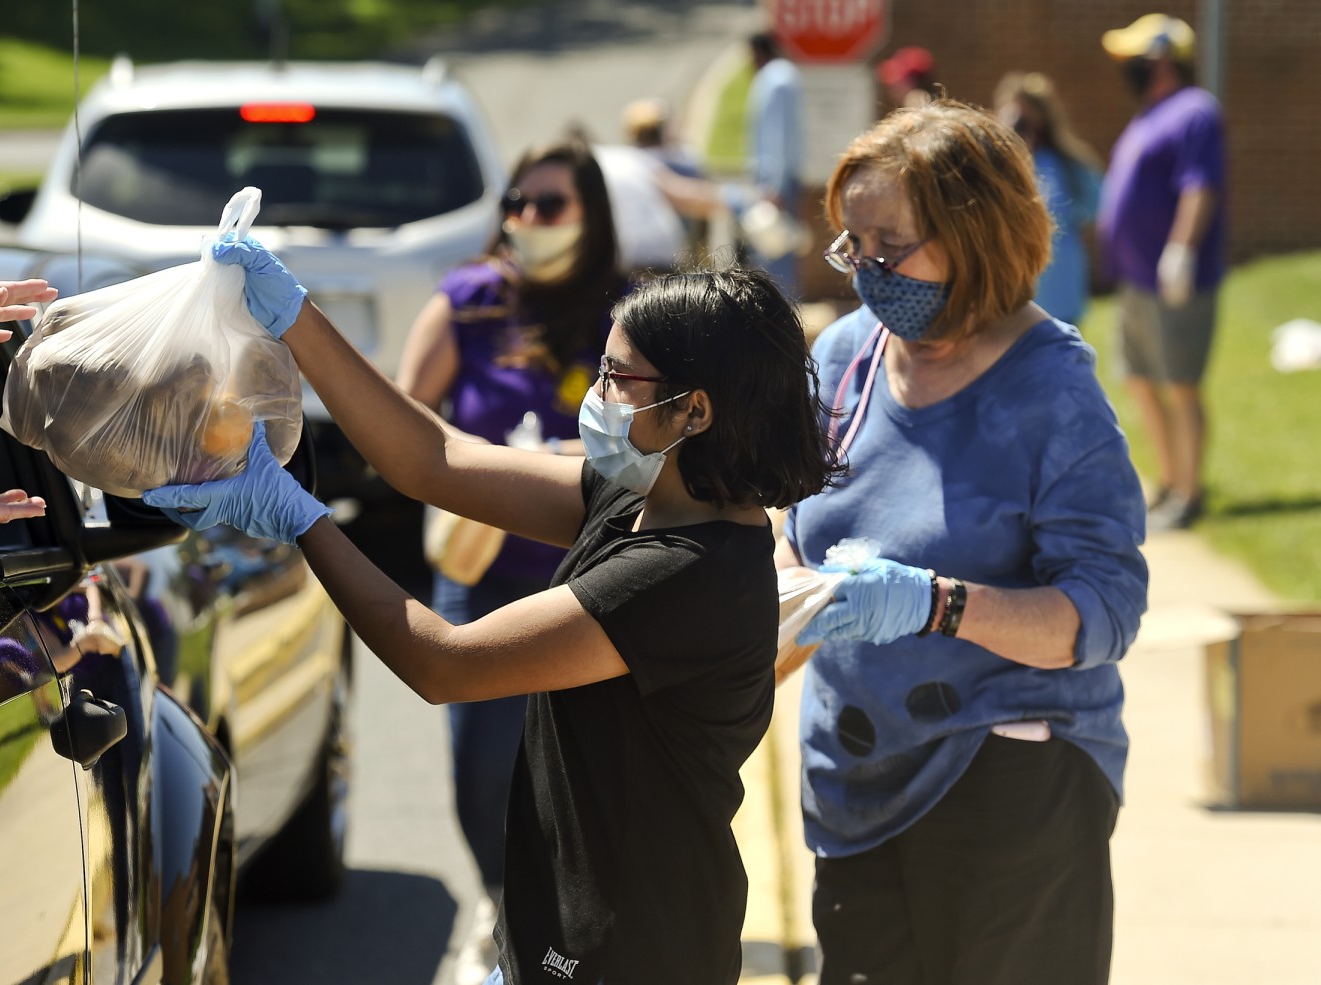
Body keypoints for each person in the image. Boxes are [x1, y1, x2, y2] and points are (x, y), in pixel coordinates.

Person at [143, 252, 841, 983]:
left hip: (629, 954)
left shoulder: (691, 571)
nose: (596, 395)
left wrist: (301, 519)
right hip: (561, 940)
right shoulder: (640, 498)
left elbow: (445, 661)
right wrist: (296, 319)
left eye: (617, 377)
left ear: (694, 409)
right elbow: (435, 459)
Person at [780, 99, 1148, 985]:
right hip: (854, 779)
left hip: (1010, 781)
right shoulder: (842, 358)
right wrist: (790, 588)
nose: (868, 272)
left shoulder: (1052, 394)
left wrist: (932, 604)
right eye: (852, 246)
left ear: (974, 235)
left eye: (890, 247)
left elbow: (1103, 612)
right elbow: (787, 521)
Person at [393, 136, 626, 984]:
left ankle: (563, 932)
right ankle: (497, 901)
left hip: (596, 584)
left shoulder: (629, 309)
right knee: (483, 763)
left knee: (584, 773)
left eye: (549, 205)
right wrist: (480, 458)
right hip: (482, 577)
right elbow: (406, 417)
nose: (528, 220)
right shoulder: (469, 301)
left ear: (592, 215)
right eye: (517, 205)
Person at [1097, 13, 1226, 531]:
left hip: (1175, 280)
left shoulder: (1196, 111)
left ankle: (1190, 494)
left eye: (1134, 59)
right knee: (1145, 382)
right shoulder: (1149, 115)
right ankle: (1169, 483)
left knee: (1181, 385)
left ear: (1164, 60)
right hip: (1135, 280)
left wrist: (1181, 250)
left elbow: (1200, 184)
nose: (1126, 68)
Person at [994, 71, 1103, 324]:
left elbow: (1096, 205)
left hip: (1059, 288)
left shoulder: (1067, 163)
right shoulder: (995, 166)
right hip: (1012, 293)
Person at [739, 31, 805, 296]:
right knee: (779, 248)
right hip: (783, 177)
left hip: (774, 180)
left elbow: (774, 134)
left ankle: (778, 312)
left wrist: (772, 185)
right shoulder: (786, 74)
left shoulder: (774, 79)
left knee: (773, 250)